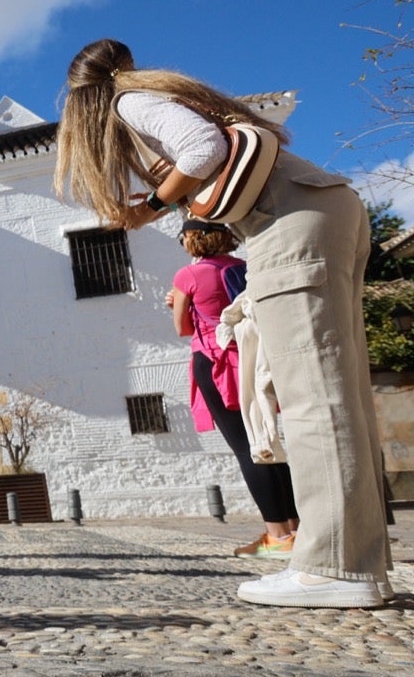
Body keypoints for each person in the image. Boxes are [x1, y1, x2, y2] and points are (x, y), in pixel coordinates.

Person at [55, 38, 393, 608]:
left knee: (312, 396)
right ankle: (356, 565)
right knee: (341, 392)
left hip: (287, 220)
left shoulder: (124, 102)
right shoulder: (157, 92)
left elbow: (202, 148)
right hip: (321, 205)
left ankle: (335, 566)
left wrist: (151, 208)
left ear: (81, 96)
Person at [168, 219, 299, 560]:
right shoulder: (245, 267)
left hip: (214, 362)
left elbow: (182, 327)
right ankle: (295, 529)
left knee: (245, 446)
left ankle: (277, 535)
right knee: (267, 439)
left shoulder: (188, 276)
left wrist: (177, 303)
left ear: (192, 239)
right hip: (254, 358)